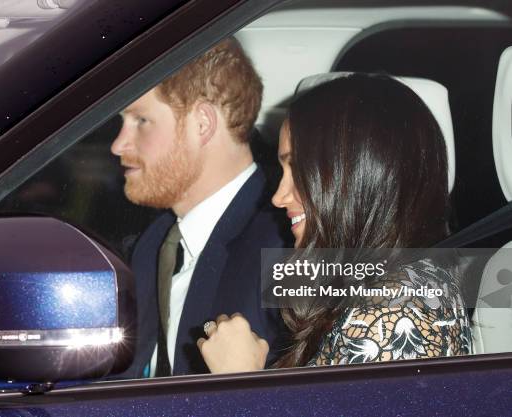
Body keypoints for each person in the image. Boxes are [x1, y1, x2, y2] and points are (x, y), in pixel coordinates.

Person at [197, 73, 473, 373]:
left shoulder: (392, 317)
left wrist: (241, 379)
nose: (279, 197)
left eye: (298, 169)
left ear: (356, 176)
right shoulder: (407, 285)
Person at [110, 38, 290, 377]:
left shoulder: (287, 244)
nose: (119, 144)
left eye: (141, 120)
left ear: (203, 123)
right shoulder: (155, 243)